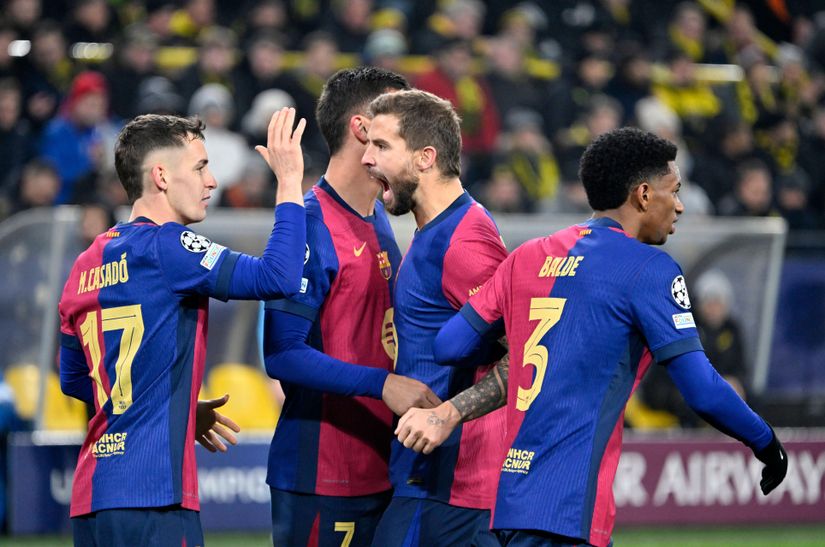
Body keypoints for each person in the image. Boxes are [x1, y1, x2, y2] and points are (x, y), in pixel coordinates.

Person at [398, 127, 788, 547]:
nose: (678, 206)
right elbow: (703, 391)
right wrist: (767, 443)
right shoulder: (649, 270)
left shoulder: (527, 256)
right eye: (673, 191)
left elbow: (449, 346)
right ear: (642, 194)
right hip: (569, 510)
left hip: (505, 502)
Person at [57, 109, 308, 546]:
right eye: (200, 167)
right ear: (161, 176)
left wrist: (171, 406)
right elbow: (279, 277)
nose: (211, 181)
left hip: (91, 502)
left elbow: (76, 380)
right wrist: (289, 182)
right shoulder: (169, 246)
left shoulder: (84, 264)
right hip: (154, 498)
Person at [262, 67, 439, 547]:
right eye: (403, 117)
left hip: (382, 465)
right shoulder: (308, 224)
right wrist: (383, 384)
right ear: (364, 129)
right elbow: (281, 354)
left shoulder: (380, 215)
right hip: (324, 474)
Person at [362, 89, 508, 546]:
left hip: (455, 487)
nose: (367, 158)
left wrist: (447, 414)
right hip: (429, 476)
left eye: (382, 146)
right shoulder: (434, 230)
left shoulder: (465, 244)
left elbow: (523, 356)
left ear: (426, 157)